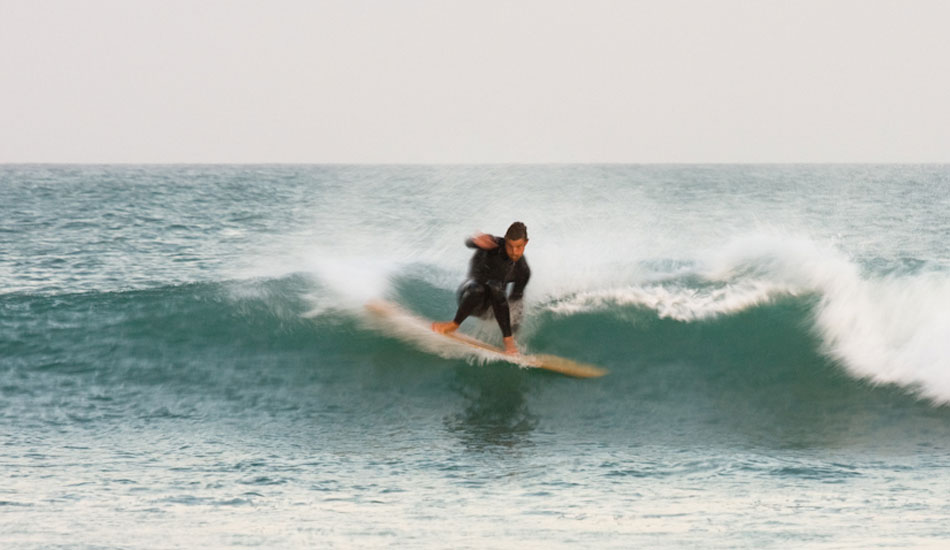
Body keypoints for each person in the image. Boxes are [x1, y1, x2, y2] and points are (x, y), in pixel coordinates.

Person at [431, 222, 531, 355]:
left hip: (491, 309)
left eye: (519, 247)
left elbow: (516, 303)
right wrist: (474, 240)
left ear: (525, 243)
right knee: (484, 287)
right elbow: (469, 243)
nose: (514, 252)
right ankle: (453, 325)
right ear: (505, 241)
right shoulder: (493, 244)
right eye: (510, 246)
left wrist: (514, 333)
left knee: (500, 291)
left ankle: (509, 340)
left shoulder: (522, 271)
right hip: (469, 296)